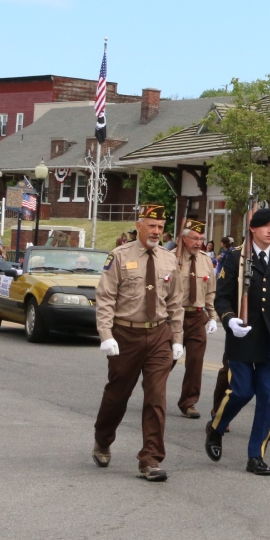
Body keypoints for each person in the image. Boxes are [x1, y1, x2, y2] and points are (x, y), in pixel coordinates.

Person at [207, 209, 270, 477]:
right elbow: (222, 298)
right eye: (266, 227)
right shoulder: (235, 257)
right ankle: (216, 428)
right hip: (243, 336)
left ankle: (255, 455)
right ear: (253, 229)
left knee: (268, 398)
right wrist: (229, 320)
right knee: (241, 391)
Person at [91, 205, 185, 481]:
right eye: (152, 225)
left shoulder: (169, 259)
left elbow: (176, 302)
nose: (157, 231)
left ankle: (151, 459)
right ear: (139, 225)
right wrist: (106, 335)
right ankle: (103, 438)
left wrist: (177, 338)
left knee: (156, 397)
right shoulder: (120, 256)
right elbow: (106, 297)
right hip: (126, 334)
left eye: (161, 226)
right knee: (118, 395)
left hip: (158, 334)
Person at [172, 218, 219, 420]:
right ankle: (152, 393)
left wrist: (213, 317)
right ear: (183, 238)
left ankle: (188, 402)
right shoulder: (170, 258)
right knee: (166, 361)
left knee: (195, 362)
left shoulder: (206, 260)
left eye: (201, 238)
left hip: (197, 316)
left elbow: (210, 291)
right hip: (174, 317)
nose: (199, 242)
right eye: (194, 238)